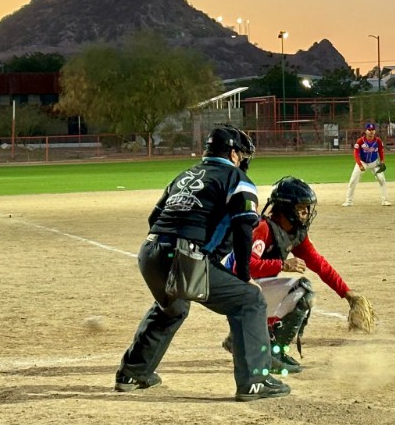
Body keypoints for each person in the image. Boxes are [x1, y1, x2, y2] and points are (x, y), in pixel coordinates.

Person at [114, 125, 291, 401]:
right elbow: (245, 228)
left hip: (149, 253)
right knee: (250, 300)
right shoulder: (237, 178)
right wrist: (244, 275)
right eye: (241, 154)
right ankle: (255, 381)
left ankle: (132, 373)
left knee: (172, 306)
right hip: (183, 257)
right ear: (233, 153)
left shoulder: (184, 176)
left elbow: (155, 218)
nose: (243, 159)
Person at [222, 176, 364, 373]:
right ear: (286, 209)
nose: (306, 212)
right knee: (302, 290)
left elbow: (319, 264)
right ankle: (267, 352)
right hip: (236, 291)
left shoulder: (292, 232)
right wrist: (282, 264)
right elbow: (241, 268)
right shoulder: (262, 228)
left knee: (301, 292)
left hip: (252, 290)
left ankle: (251, 342)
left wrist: (347, 293)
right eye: (301, 207)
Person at [342, 122, 390, 206]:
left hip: (374, 163)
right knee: (353, 180)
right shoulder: (360, 141)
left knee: (381, 179)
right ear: (366, 131)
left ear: (375, 131)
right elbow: (356, 153)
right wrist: (359, 164)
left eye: (373, 130)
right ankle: (348, 201)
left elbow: (381, 151)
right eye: (369, 130)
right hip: (362, 162)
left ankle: (385, 200)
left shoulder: (378, 140)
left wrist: (382, 161)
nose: (371, 132)